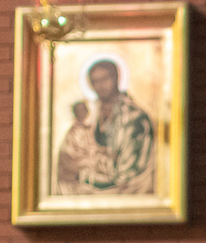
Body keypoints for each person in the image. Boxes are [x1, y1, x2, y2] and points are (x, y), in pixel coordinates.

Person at [54, 58, 156, 195]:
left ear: (116, 78)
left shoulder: (134, 118)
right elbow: (67, 161)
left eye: (105, 79)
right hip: (87, 188)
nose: (100, 85)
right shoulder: (88, 117)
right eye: (95, 81)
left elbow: (126, 174)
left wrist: (82, 172)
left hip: (126, 191)